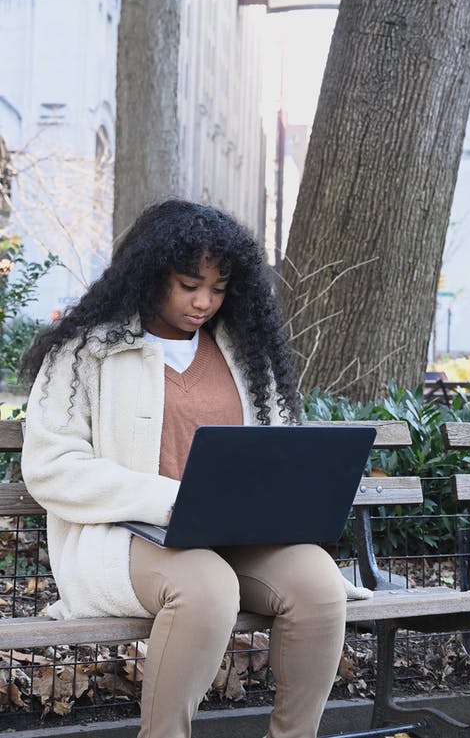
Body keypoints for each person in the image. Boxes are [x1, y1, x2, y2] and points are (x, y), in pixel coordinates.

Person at [20, 199, 347, 738]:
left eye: (218, 290)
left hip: (237, 531)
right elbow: (52, 465)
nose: (203, 302)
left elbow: (283, 451)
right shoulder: (88, 352)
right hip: (128, 534)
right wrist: (166, 498)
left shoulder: (246, 355)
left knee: (319, 586)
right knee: (207, 588)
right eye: (189, 284)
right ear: (151, 274)